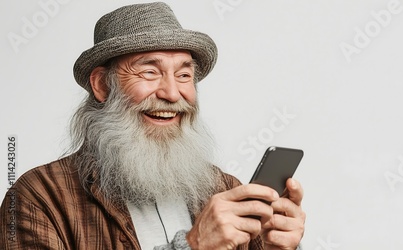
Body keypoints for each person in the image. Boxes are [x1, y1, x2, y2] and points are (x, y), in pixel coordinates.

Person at [0, 2, 306, 249]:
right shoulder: (38, 197)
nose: (172, 94)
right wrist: (193, 246)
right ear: (102, 86)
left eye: (185, 75)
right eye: (149, 72)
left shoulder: (225, 189)